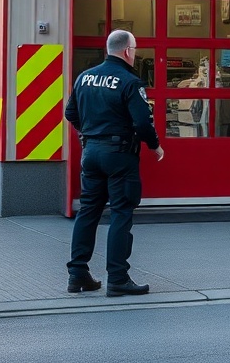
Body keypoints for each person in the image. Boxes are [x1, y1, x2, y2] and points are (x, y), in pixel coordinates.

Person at [65, 29, 164, 296]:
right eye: (135, 50)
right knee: (121, 213)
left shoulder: (84, 77)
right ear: (128, 51)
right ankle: (118, 278)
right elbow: (143, 122)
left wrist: (88, 134)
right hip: (120, 155)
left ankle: (78, 274)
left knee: (88, 211)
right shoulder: (130, 82)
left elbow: (70, 113)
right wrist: (154, 145)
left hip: (91, 153)